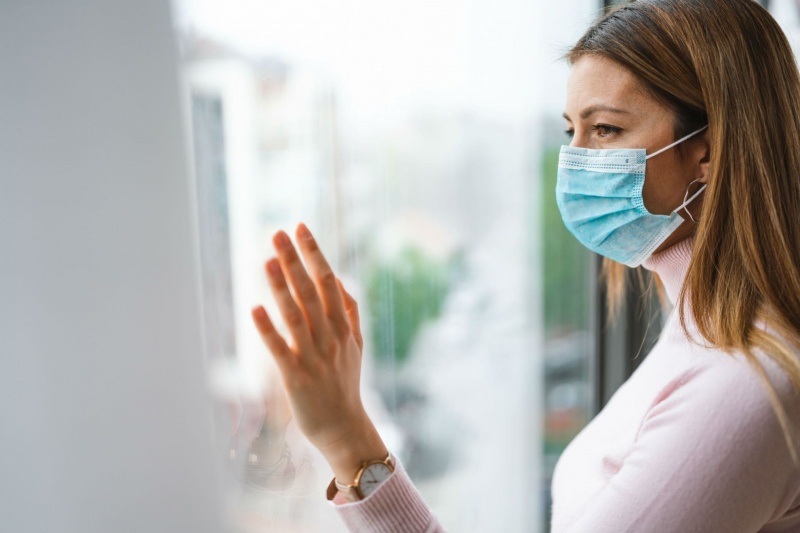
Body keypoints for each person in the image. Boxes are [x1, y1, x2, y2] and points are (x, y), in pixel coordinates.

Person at [249, 0, 800, 531]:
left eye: (604, 129)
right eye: (570, 131)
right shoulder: (706, 332)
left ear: (708, 151)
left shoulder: (744, 385)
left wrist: (347, 437)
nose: (574, 160)